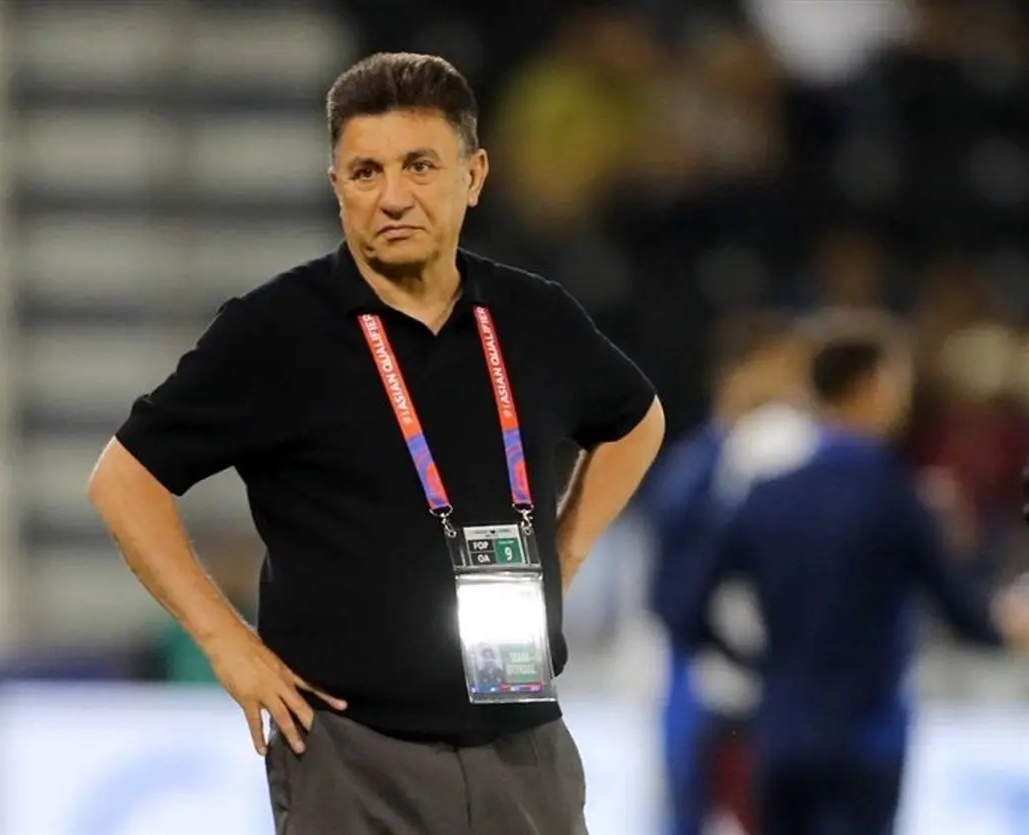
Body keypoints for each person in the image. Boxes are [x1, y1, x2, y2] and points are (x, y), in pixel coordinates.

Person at [88, 52, 665, 834]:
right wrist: (227, 642)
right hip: (353, 754)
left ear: (474, 174)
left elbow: (637, 419)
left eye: (419, 165)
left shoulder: (533, 316)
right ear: (337, 187)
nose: (392, 196)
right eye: (366, 172)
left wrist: (565, 549)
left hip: (524, 749)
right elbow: (124, 481)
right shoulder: (277, 331)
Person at [666, 317, 1029, 835]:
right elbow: (960, 609)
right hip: (865, 736)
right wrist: (1005, 628)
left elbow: (682, 606)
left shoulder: (767, 494)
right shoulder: (892, 495)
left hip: (780, 731)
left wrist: (757, 664)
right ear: (872, 385)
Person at [645, 310, 809, 835]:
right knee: (689, 802)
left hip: (775, 672)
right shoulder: (695, 468)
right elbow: (670, 588)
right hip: (697, 667)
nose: (791, 389)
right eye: (779, 370)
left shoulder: (793, 462)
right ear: (736, 374)